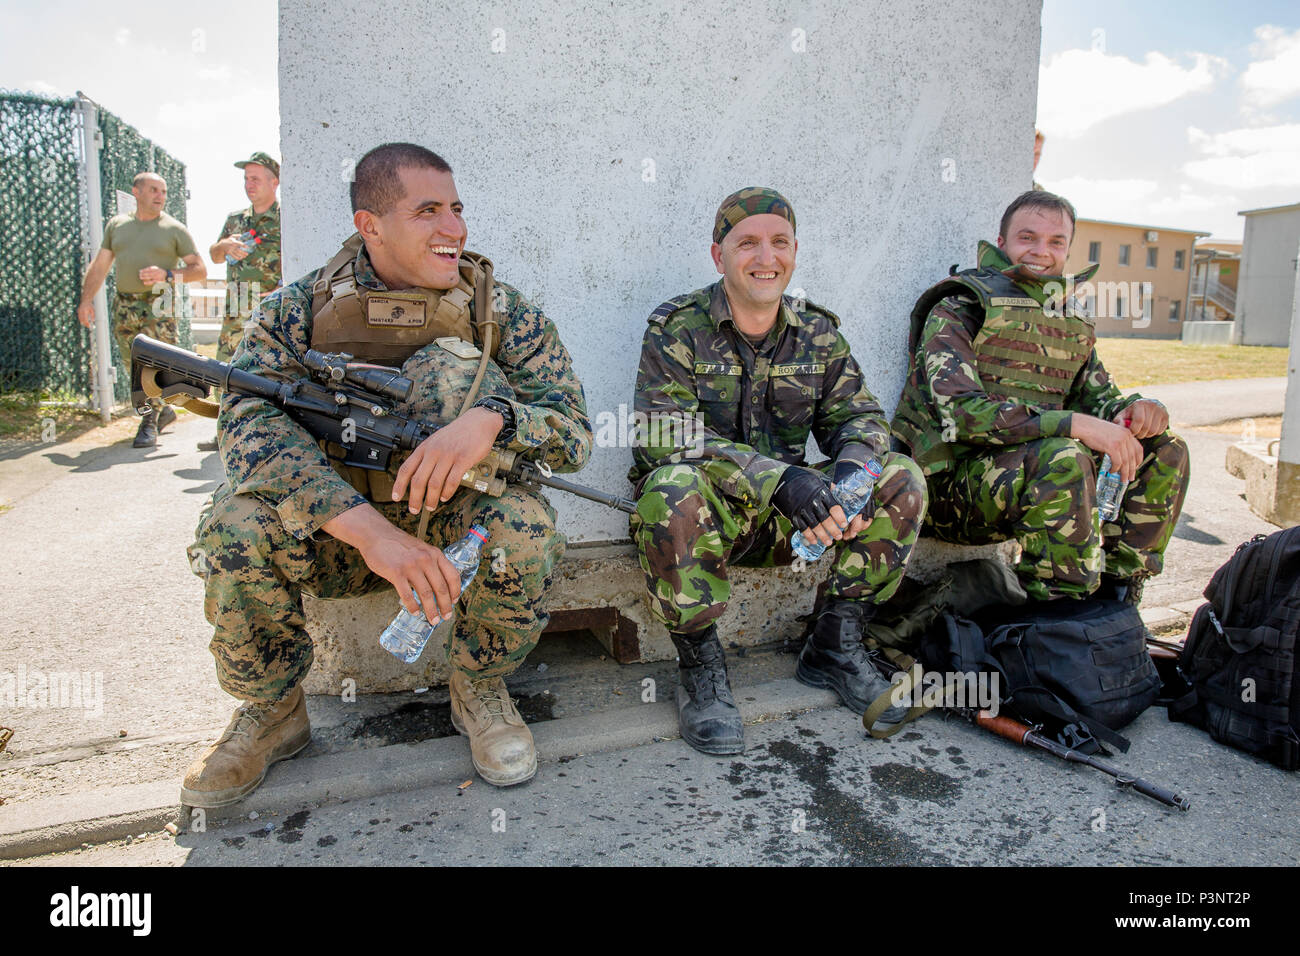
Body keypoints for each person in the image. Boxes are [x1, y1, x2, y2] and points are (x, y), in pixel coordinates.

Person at [181, 143, 591, 805]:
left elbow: (573, 432)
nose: (453, 228)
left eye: (456, 209)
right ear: (370, 225)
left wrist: (493, 417)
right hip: (336, 538)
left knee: (525, 524)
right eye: (427, 210)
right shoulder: (297, 311)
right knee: (234, 524)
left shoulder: (500, 310)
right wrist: (371, 532)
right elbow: (247, 432)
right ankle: (274, 711)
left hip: (450, 535)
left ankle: (477, 687)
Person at [629, 187, 927, 755]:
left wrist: (851, 481)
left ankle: (835, 644)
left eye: (779, 243)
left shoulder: (818, 333)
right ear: (719, 255)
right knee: (669, 488)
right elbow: (661, 434)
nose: (766, 258)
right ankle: (701, 669)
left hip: (800, 523)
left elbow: (860, 417)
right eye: (747, 243)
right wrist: (783, 480)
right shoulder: (677, 328)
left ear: (794, 251)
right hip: (714, 522)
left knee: (899, 476)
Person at [891, 189, 1189, 607]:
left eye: (1055, 242)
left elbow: (1101, 400)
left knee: (1165, 449)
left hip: (1033, 476)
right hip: (948, 493)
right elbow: (961, 414)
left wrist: (1137, 412)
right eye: (1027, 238)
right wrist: (1074, 424)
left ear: (1068, 249)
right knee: (1064, 456)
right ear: (1002, 243)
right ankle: (1056, 619)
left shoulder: (1067, 318)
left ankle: (1116, 601)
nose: (1040, 252)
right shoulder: (962, 307)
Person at [77, 171, 206, 447]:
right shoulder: (118, 226)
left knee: (156, 362)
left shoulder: (174, 229)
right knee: (132, 363)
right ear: (136, 192)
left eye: (163, 191)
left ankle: (149, 420)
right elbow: (100, 266)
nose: (160, 196)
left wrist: (167, 274)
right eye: (154, 190)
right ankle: (163, 409)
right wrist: (86, 300)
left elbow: (199, 270)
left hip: (159, 303)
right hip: (125, 304)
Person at [199, 152, 283, 451]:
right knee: (226, 368)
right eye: (246, 179)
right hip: (236, 310)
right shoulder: (235, 220)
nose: (249, 184)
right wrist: (223, 246)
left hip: (269, 310)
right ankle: (226, 430)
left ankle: (267, 431)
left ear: (274, 182)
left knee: (267, 368)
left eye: (255, 178)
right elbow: (214, 255)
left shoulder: (285, 220)